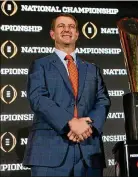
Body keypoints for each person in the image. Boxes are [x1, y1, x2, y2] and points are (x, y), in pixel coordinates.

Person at [22, 13, 111, 176]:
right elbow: (38, 99)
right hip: (50, 152)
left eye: (71, 27)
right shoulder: (40, 65)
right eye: (61, 26)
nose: (66, 30)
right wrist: (70, 122)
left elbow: (103, 100)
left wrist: (88, 124)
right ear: (52, 34)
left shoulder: (92, 69)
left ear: (77, 34)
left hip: (88, 151)